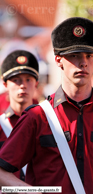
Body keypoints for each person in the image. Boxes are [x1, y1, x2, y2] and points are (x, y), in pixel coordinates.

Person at [0, 17, 93, 194]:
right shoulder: (37, 117)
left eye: (89, 55)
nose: (83, 62)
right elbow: (2, 171)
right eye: (74, 55)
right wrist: (34, 192)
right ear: (58, 59)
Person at [0, 50, 39, 181]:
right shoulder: (0, 125)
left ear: (36, 84)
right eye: (16, 80)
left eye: (28, 79)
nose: (23, 86)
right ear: (5, 84)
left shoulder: (49, 122)